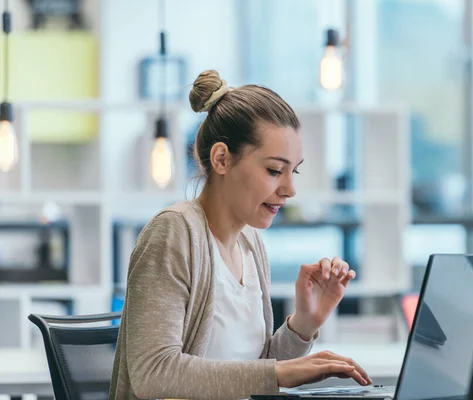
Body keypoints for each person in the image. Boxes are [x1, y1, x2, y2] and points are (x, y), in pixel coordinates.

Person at [109, 69, 372, 400]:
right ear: (221, 159)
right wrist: (279, 373)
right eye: (275, 170)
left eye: (294, 171)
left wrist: (304, 323)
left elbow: (252, 371)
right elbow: (154, 373)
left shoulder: (251, 244)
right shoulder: (174, 232)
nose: (290, 189)